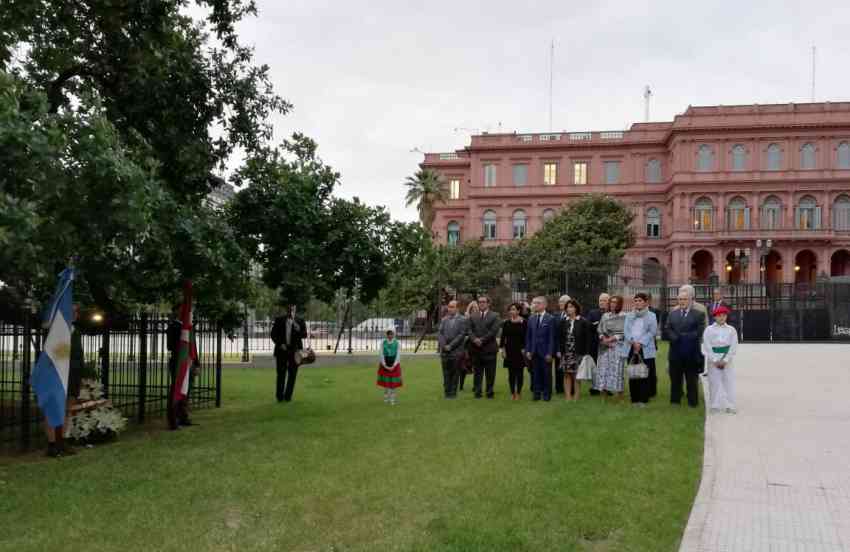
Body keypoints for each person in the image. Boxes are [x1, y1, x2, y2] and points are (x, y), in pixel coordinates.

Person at [664, 288, 707, 408]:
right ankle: (675, 401)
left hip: (691, 352)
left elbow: (699, 331)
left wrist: (684, 338)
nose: (682, 301)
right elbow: (667, 329)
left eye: (684, 299)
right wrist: (675, 338)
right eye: (680, 299)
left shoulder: (699, 314)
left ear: (690, 300)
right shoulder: (672, 314)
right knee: (675, 379)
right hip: (675, 352)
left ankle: (692, 402)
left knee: (691, 379)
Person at [167, 302, 199, 430]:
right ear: (177, 312)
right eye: (182, 310)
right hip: (178, 362)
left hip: (189, 363)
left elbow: (193, 347)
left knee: (186, 391)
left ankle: (183, 416)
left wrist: (196, 364)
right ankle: (173, 420)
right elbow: (171, 346)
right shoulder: (174, 327)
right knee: (177, 390)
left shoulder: (188, 327)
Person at [702, 305, 739, 414]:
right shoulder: (709, 330)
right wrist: (714, 359)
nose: (722, 318)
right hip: (714, 359)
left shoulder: (731, 330)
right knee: (714, 382)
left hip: (726, 359)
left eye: (724, 315)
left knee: (728, 381)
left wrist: (726, 359)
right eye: (719, 316)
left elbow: (733, 346)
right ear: (715, 317)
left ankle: (730, 404)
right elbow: (707, 345)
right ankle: (715, 405)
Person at [624, 292, 658, 407]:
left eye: (640, 301)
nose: (638, 303)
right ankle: (634, 399)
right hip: (631, 347)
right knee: (633, 373)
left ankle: (643, 399)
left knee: (643, 373)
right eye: (636, 301)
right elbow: (626, 331)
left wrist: (641, 343)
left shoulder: (652, 316)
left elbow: (652, 331)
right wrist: (633, 342)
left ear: (646, 302)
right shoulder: (629, 315)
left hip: (645, 348)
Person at [558, 299, 594, 401]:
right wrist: (560, 351)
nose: (569, 309)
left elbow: (587, 339)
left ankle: (576, 396)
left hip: (578, 352)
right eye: (568, 307)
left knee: (576, 375)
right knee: (566, 374)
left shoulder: (583, 321)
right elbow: (560, 337)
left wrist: (586, 353)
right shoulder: (563, 322)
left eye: (571, 307)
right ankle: (568, 396)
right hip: (566, 352)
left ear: (576, 308)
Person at [271, 304, 307, 403]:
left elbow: (304, 335)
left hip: (295, 351)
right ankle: (279, 397)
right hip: (282, 350)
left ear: (295, 309)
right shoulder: (279, 319)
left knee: (292, 374)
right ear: (287, 309)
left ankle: (288, 397)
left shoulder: (300, 320)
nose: (291, 310)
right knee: (281, 374)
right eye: (289, 307)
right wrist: (280, 344)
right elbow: (273, 334)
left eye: (293, 308)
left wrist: (297, 326)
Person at [467, 296, 501, 399]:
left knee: (490, 373)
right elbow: (469, 330)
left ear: (488, 303)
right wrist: (474, 339)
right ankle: (477, 392)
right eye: (479, 302)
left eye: (483, 302)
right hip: (476, 349)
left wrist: (481, 340)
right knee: (477, 372)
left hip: (489, 348)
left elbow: (493, 331)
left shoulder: (495, 315)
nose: (481, 304)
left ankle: (489, 392)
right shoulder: (472, 316)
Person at [525, 296, 557, 401]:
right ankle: (536, 394)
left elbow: (552, 337)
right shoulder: (531, 318)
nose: (534, 305)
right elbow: (529, 336)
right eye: (533, 303)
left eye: (537, 303)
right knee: (535, 373)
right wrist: (528, 350)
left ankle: (547, 394)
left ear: (544, 305)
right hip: (534, 351)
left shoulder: (550, 318)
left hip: (545, 352)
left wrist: (550, 353)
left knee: (547, 374)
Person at [595, 295, 627, 400]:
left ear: (620, 304)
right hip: (604, 347)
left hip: (617, 347)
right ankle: (603, 395)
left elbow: (624, 332)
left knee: (617, 371)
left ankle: (619, 395)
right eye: (611, 302)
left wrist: (612, 338)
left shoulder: (624, 316)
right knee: (603, 370)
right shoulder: (605, 316)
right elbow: (599, 329)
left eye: (615, 302)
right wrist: (603, 339)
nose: (613, 304)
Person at [438, 300, 468, 399]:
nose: (449, 309)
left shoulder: (463, 320)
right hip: (445, 352)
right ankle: (447, 393)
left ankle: (453, 394)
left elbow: (461, 334)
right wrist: (444, 345)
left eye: (452, 307)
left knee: (455, 374)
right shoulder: (444, 320)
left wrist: (450, 346)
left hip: (456, 351)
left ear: (457, 308)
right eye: (449, 306)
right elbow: (440, 333)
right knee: (446, 373)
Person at [499, 303, 527, 400]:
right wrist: (502, 350)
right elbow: (503, 338)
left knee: (519, 373)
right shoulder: (506, 323)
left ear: (519, 311)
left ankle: (518, 392)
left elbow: (526, 337)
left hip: (520, 351)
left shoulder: (524, 322)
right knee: (511, 373)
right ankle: (512, 393)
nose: (512, 311)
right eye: (511, 309)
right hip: (509, 350)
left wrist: (525, 348)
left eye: (514, 309)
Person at [585, 293, 610, 396]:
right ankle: (595, 387)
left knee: (607, 365)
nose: (602, 302)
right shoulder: (592, 313)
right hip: (594, 344)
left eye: (604, 300)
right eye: (600, 300)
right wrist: (595, 325)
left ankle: (606, 387)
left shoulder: (611, 314)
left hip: (607, 344)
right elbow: (587, 325)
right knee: (595, 366)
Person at [377, 328, 402, 404]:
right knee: (386, 383)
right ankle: (386, 398)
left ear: (394, 334)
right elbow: (381, 353)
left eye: (391, 334)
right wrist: (384, 365)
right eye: (388, 334)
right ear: (386, 334)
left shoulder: (397, 343)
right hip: (385, 364)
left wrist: (394, 365)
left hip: (394, 364)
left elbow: (398, 354)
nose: (390, 335)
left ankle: (392, 398)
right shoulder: (383, 342)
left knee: (393, 383)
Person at [460, 301, 480, 391]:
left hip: (476, 344)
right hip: (467, 345)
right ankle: (461, 385)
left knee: (477, 366)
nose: (474, 309)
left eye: (476, 308)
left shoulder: (480, 318)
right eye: (472, 308)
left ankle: (475, 385)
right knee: (464, 365)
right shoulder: (466, 318)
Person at [553, 295, 571, 395]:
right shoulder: (556, 315)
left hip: (569, 346)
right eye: (560, 302)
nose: (560, 304)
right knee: (558, 368)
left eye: (563, 302)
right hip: (558, 346)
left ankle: (570, 388)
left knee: (570, 369)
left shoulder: (572, 315)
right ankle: (559, 388)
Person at [645, 293, 661, 400]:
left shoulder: (655, 312)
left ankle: (652, 390)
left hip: (650, 343)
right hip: (638, 344)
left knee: (651, 367)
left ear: (650, 301)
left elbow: (653, 329)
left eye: (646, 300)